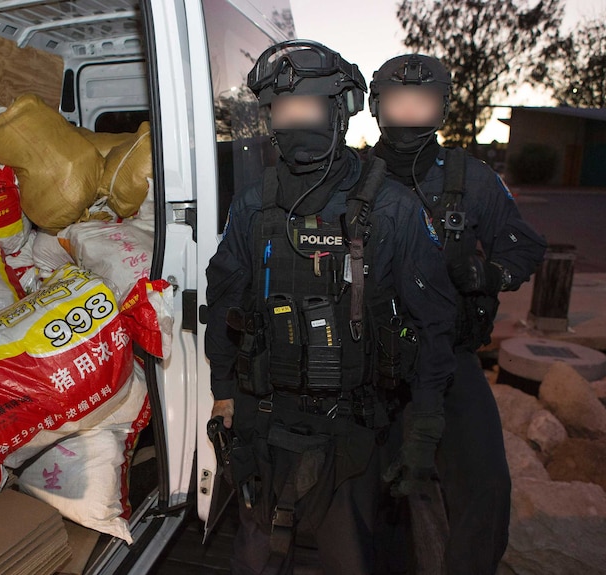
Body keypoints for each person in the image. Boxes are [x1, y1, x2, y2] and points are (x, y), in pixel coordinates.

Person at [205, 40, 458, 575]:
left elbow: (434, 321)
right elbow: (225, 299)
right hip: (263, 415)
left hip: (352, 425)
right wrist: (223, 395)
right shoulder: (253, 202)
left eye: (309, 108)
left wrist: (425, 426)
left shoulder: (391, 206)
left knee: (349, 557)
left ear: (339, 110)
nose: (296, 122)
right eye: (283, 110)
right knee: (254, 553)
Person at [368, 53, 547, 575]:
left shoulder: (473, 179)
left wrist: (491, 276)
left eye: (421, 103)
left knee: (487, 486)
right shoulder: (351, 179)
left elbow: (524, 247)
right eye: (398, 102)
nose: (408, 114)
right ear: (377, 108)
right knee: (376, 496)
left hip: (449, 359)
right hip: (371, 364)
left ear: (441, 109)